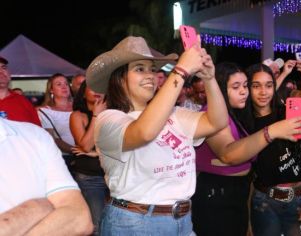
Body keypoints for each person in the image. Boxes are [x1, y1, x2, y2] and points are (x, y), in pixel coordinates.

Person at [86, 36, 228, 235]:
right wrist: (180, 71)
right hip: (135, 223)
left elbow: (217, 122)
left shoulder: (173, 113)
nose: (151, 75)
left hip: (182, 221)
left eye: (153, 69)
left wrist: (209, 79)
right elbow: (144, 132)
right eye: (139, 69)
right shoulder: (109, 120)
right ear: (119, 78)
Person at [192, 62, 301, 236]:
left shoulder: (236, 115)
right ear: (220, 88)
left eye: (245, 85)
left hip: (235, 194)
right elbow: (228, 154)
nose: (244, 91)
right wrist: (272, 131)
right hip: (216, 195)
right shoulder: (212, 113)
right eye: (236, 87)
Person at [240, 64, 301, 236]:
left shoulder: (289, 113)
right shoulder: (244, 123)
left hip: (300, 199)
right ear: (247, 88)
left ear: (274, 87)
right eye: (256, 86)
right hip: (264, 202)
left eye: (269, 85)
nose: (263, 92)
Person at [0, 118, 93, 235]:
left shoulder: (34, 135)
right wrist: (35, 207)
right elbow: (85, 146)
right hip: (84, 170)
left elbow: (79, 218)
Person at [69, 81, 108, 235]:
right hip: (90, 178)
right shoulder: (77, 116)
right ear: (83, 92)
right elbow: (85, 145)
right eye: (92, 87)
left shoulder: (114, 113)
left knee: (116, 222)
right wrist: (97, 115)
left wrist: (96, 153)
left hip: (115, 176)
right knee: (97, 225)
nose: (97, 90)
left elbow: (121, 146)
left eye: (101, 87)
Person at [38, 73, 75, 169]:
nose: (64, 87)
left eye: (66, 84)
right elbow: (52, 139)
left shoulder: (80, 106)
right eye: (59, 84)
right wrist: (78, 151)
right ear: (51, 90)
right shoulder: (45, 111)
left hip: (88, 156)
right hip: (65, 157)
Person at [0, 56, 41, 126]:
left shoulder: (24, 102)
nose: (1, 71)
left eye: (4, 68)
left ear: (9, 74)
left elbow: (38, 133)